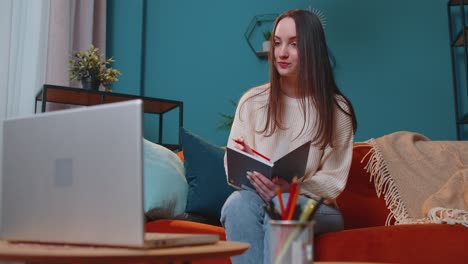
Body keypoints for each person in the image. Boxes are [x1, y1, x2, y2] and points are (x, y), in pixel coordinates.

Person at [220, 9, 358, 264]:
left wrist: (293, 188)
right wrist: (249, 165)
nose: (281, 53)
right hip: (258, 197)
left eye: (294, 44)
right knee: (236, 205)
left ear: (313, 49)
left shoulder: (337, 110)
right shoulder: (252, 102)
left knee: (285, 205)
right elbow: (231, 164)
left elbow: (333, 180)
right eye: (277, 43)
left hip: (315, 206)